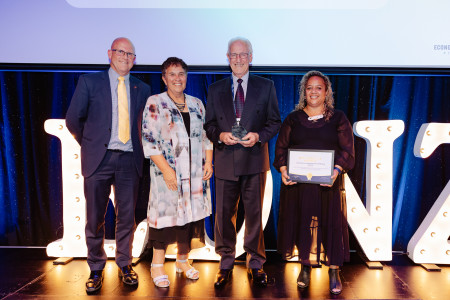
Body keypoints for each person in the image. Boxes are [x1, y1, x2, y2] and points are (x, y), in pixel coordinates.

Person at [66, 37, 151, 293]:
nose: (125, 57)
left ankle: (125, 264)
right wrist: (91, 144)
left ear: (134, 60)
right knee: (95, 218)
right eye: (120, 52)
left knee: (127, 218)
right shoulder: (89, 82)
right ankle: (95, 267)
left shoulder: (142, 88)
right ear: (109, 54)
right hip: (98, 160)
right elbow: (73, 120)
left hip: (129, 160)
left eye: (130, 55)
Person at [204, 37, 281, 288]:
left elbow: (274, 122)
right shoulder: (215, 90)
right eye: (233, 55)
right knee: (224, 216)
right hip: (226, 161)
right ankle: (226, 262)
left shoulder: (265, 86)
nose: (238, 59)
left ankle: (255, 263)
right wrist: (220, 136)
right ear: (227, 58)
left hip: (254, 159)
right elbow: (209, 126)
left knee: (255, 216)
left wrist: (259, 136)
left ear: (251, 57)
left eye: (243, 55)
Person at [273, 70, 355, 295]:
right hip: (299, 186)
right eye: (309, 88)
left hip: (328, 183)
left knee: (331, 224)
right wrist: (283, 169)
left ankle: (334, 270)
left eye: (319, 87)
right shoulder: (293, 118)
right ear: (304, 92)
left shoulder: (338, 118)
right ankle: (306, 267)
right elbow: (281, 148)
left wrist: (336, 170)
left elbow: (347, 150)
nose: (314, 92)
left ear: (326, 91)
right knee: (303, 224)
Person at [141, 57, 214, 288]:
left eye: (181, 73)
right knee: (164, 220)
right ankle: (157, 266)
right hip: (167, 174)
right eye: (171, 74)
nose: (177, 78)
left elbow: (206, 137)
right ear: (164, 78)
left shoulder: (197, 104)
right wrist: (167, 171)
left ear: (186, 76)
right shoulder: (155, 102)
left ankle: (182, 261)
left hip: (194, 174)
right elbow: (149, 140)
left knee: (189, 219)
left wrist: (209, 163)